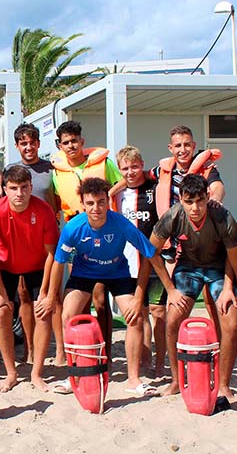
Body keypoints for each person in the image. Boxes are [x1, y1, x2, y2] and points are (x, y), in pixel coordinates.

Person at [47, 177, 168, 397]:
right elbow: (58, 262)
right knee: (68, 314)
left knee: (135, 317)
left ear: (107, 202)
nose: (96, 208)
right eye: (91, 203)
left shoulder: (120, 223)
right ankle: (74, 374)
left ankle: (133, 379)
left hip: (117, 272)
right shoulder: (73, 227)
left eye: (101, 202)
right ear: (83, 204)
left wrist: (169, 289)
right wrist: (49, 296)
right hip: (84, 273)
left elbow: (151, 254)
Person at [150, 174, 237, 398]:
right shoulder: (173, 216)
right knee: (172, 321)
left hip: (220, 270)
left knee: (231, 320)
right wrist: (170, 289)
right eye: (189, 201)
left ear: (208, 197)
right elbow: (151, 251)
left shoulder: (222, 217)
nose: (195, 207)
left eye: (200, 201)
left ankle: (223, 384)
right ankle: (176, 380)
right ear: (180, 199)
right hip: (188, 268)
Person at [50, 120, 125, 358]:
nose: (71, 146)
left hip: (104, 234)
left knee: (100, 298)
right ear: (59, 145)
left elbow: (122, 180)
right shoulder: (57, 171)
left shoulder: (103, 163)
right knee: (78, 296)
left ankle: (106, 351)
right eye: (66, 142)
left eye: (74, 141)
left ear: (82, 141)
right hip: (77, 235)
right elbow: (55, 201)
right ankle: (80, 350)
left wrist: (106, 195)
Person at [0, 166, 59, 392]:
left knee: (43, 311)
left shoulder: (43, 210)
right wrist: (2, 293)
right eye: (14, 188)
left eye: (24, 188)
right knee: (1, 309)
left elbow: (52, 255)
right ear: (5, 189)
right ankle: (11, 372)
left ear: (31, 187)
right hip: (5, 267)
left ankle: (36, 373)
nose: (19, 193)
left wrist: (45, 292)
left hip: (37, 266)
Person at [113, 146, 167, 376]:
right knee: (140, 312)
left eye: (135, 166)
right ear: (120, 170)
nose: (130, 172)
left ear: (142, 165)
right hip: (128, 263)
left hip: (155, 260)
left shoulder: (156, 189)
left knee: (159, 312)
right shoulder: (116, 194)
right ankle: (145, 361)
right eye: (125, 168)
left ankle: (160, 362)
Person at [150, 125, 225, 215]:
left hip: (197, 223)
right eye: (178, 145)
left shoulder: (205, 168)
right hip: (170, 225)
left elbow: (217, 186)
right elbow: (141, 175)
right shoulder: (161, 170)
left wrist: (215, 198)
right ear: (171, 148)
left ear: (193, 146)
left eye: (187, 145)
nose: (183, 150)